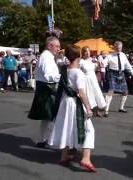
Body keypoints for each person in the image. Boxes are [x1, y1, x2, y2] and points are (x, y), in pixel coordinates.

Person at [48, 44, 96, 172]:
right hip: (74, 103)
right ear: (79, 56)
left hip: (64, 102)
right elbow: (81, 92)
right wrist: (88, 107)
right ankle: (86, 158)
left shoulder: (64, 69)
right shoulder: (78, 73)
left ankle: (64, 155)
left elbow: (58, 61)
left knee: (66, 126)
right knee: (88, 129)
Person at [28, 36, 61, 148]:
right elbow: (48, 76)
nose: (58, 48)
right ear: (49, 46)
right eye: (56, 46)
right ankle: (49, 140)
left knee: (48, 117)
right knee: (52, 116)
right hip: (47, 88)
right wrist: (63, 77)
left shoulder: (48, 56)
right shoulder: (46, 57)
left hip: (46, 88)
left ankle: (43, 140)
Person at [103, 41, 133, 117]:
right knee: (111, 90)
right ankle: (106, 110)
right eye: (117, 48)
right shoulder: (110, 56)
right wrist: (102, 64)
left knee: (125, 91)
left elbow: (128, 65)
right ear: (114, 48)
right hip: (112, 73)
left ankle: (121, 107)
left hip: (121, 74)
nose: (119, 49)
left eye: (120, 48)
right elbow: (105, 62)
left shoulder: (123, 55)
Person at [79, 47, 106, 117]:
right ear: (83, 53)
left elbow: (97, 68)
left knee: (96, 94)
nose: (87, 53)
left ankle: (97, 111)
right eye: (86, 51)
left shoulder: (92, 60)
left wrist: (99, 64)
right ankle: (89, 110)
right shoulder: (81, 61)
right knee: (89, 95)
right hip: (86, 80)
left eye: (88, 51)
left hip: (93, 79)